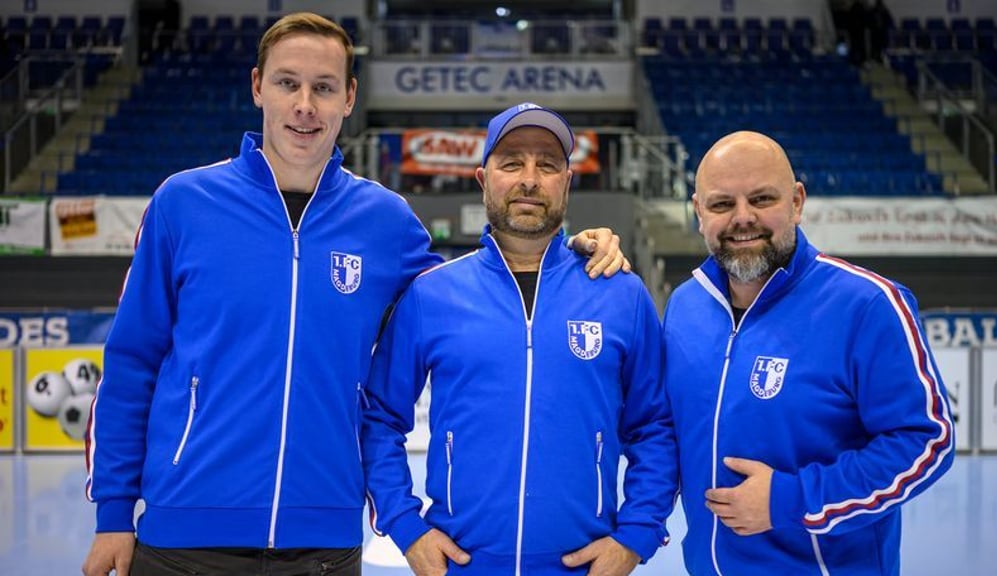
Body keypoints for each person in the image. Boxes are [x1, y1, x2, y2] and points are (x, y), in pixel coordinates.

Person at [81, 15, 627, 576]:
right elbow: (132, 362)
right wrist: (114, 512)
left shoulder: (386, 222)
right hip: (182, 533)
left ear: (348, 98)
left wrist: (570, 254)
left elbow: (484, 292)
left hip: (324, 543)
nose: (304, 105)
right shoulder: (184, 203)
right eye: (288, 83)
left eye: (323, 87)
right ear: (258, 86)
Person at [360, 102, 679, 576]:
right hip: (463, 565)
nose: (529, 179)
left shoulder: (621, 294)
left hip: (582, 566)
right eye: (511, 163)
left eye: (546, 165)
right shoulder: (432, 294)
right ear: (483, 178)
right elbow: (379, 418)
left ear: (567, 182)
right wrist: (406, 527)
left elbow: (654, 427)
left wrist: (635, 537)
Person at [662, 131, 955, 575]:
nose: (743, 218)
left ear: (797, 202)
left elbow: (927, 441)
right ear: (699, 213)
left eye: (762, 199)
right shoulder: (685, 306)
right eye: (722, 204)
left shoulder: (867, 304)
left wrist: (790, 499)